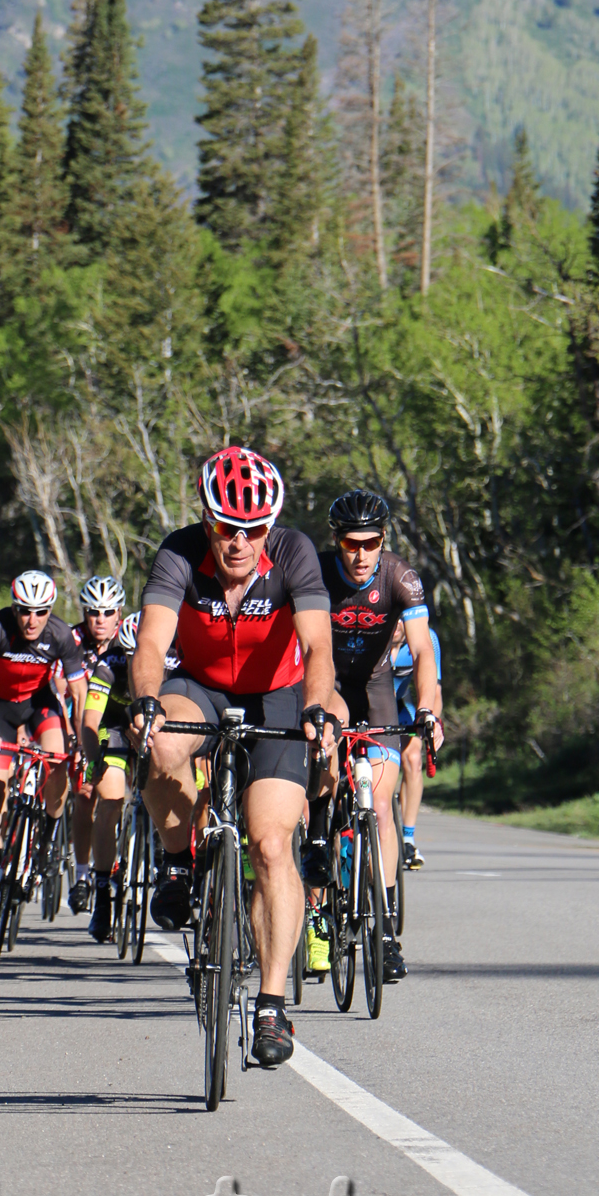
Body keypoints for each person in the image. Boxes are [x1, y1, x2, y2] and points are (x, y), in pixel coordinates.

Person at [129, 446, 335, 1070]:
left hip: (278, 694)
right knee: (160, 744)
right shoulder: (179, 552)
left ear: (271, 526)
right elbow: (152, 640)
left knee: (271, 844)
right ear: (205, 519)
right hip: (201, 686)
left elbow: (318, 645)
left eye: (254, 529)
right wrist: (143, 700)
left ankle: (271, 1004)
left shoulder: (295, 553)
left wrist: (318, 707)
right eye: (226, 528)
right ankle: (176, 862)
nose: (240, 541)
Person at [312, 489, 443, 984]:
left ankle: (385, 931)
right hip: (327, 683)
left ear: (383, 540)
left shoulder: (400, 577)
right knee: (323, 762)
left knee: (381, 804)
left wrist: (427, 709)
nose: (361, 554)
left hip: (377, 687)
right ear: (337, 541)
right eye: (351, 543)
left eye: (371, 542)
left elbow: (424, 653)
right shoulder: (318, 573)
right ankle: (319, 861)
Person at [0, 570, 77, 923]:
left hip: (39, 704)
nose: (32, 620)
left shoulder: (60, 634)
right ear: (14, 608)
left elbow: (79, 688)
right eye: (25, 610)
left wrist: (76, 732)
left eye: (41, 611)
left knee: (59, 762)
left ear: (50, 610)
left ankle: (47, 834)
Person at [78, 608, 140, 943]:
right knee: (112, 801)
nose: (135, 663)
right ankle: (102, 895)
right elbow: (89, 721)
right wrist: (93, 760)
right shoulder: (109, 665)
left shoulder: (175, 660)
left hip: (153, 729)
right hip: (113, 728)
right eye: (129, 655)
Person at [65, 574, 126, 914]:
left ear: (119, 613)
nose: (99, 620)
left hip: (119, 719)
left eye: (107, 613)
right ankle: (84, 873)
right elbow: (62, 691)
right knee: (86, 794)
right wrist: (72, 735)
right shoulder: (72, 640)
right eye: (92, 612)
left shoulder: (128, 640)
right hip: (86, 723)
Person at [394, 623, 444, 868]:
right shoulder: (374, 630)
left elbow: (434, 691)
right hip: (363, 704)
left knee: (413, 759)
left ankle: (407, 838)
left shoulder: (427, 637)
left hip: (400, 704)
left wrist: (432, 723)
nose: (397, 625)